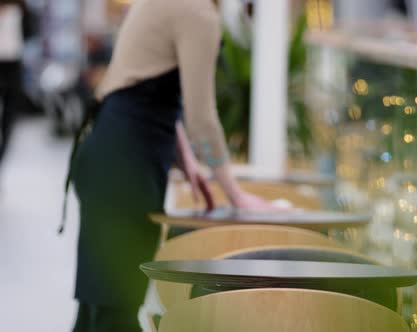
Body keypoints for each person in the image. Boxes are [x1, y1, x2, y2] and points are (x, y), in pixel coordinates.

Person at [68, 0, 273, 330]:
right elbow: (201, 118)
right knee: (116, 310)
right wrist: (237, 195)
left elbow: (144, 87)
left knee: (96, 310)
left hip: (105, 156)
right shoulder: (198, 13)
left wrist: (187, 158)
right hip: (127, 170)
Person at [0, 0, 32, 167]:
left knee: (9, 115)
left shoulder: (20, 8)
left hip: (13, 65)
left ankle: (2, 155)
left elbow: (29, 31)